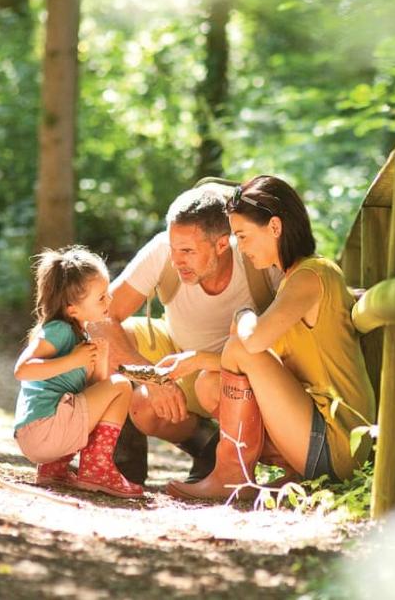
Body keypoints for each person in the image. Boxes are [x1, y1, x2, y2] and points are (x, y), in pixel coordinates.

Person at [164, 175, 376, 502]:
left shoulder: (311, 276)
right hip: (314, 436)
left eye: (244, 236)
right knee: (209, 381)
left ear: (274, 227)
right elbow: (265, 361)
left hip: (338, 445)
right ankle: (287, 474)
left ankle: (231, 476)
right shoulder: (291, 282)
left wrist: (243, 314)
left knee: (239, 344)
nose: (240, 248)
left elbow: (252, 342)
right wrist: (195, 360)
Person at [101, 185, 280, 485]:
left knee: (207, 382)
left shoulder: (258, 261)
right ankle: (124, 465)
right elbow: (101, 316)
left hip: (230, 373)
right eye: (174, 249)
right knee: (104, 351)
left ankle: (229, 455)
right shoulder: (163, 251)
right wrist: (150, 377)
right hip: (175, 350)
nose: (176, 260)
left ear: (223, 244)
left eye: (187, 251)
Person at [12, 246, 143, 498]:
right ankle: (97, 470)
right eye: (102, 297)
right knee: (123, 385)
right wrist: (74, 360)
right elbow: (23, 370)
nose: (110, 301)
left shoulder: (79, 335)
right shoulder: (59, 330)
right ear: (72, 308)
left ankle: (55, 468)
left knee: (107, 388)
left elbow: (96, 397)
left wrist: (100, 360)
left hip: (41, 435)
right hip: (45, 429)